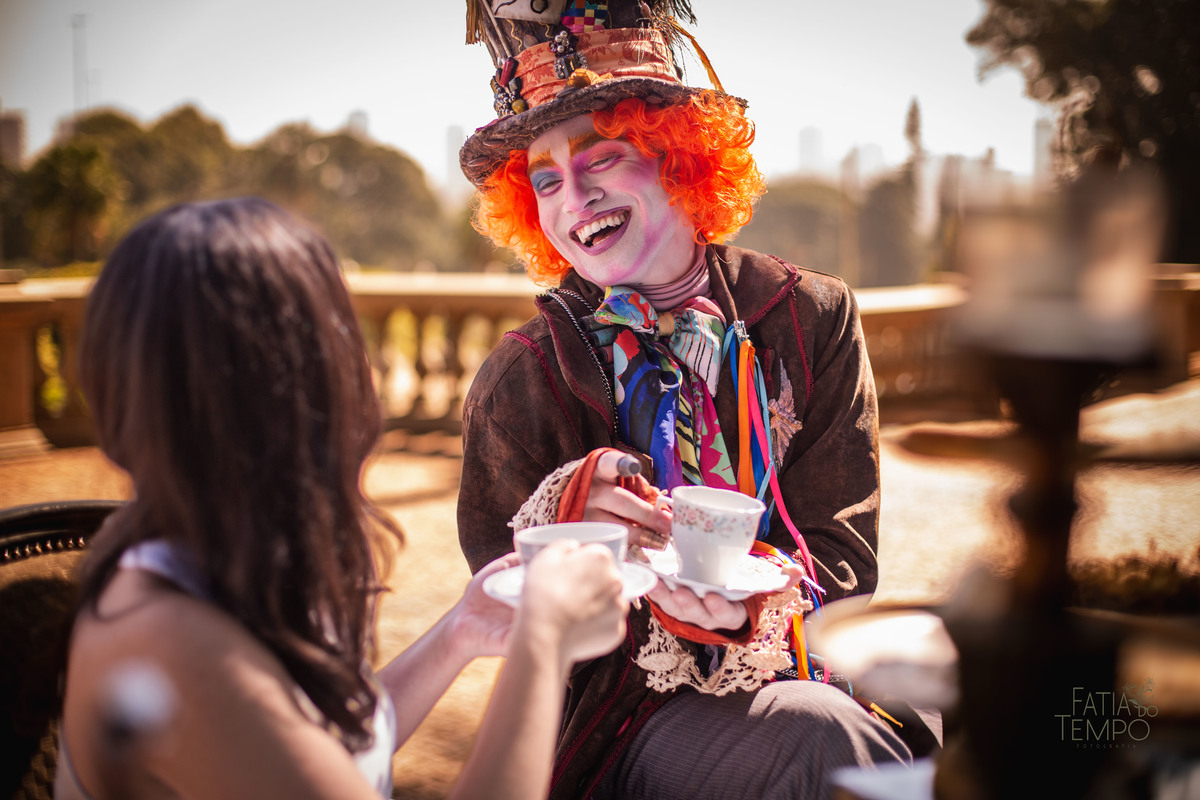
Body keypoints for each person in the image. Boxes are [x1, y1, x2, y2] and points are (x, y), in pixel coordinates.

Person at [456, 2, 918, 798]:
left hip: (810, 663)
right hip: (620, 727)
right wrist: (583, 535)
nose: (573, 199)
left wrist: (757, 605)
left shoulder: (811, 316)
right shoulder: (519, 376)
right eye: (545, 181)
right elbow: (506, 603)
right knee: (815, 739)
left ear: (678, 157)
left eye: (602, 159)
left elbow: (845, 557)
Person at [56, 197, 629, 800]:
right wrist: (542, 645)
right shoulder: (176, 649)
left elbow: (319, 754)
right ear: (306, 384)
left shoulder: (214, 556)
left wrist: (460, 631)